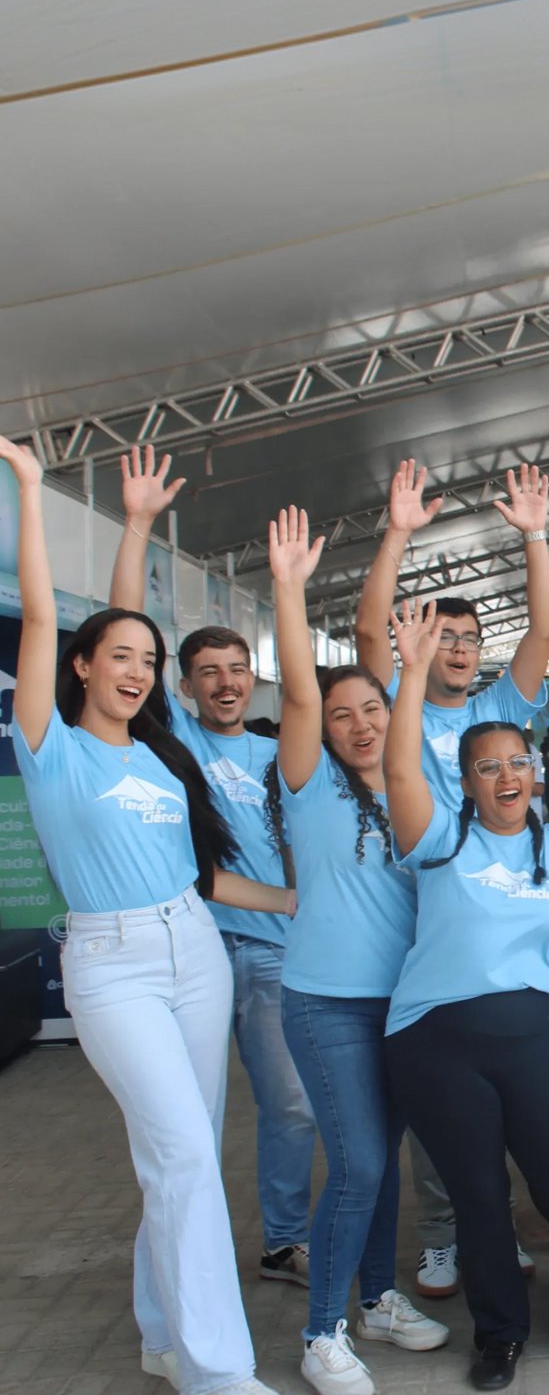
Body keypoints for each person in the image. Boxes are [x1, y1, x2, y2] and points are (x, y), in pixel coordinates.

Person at [1, 435, 318, 1395]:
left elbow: (205, 876)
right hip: (112, 963)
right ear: (81, 667)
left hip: (195, 949)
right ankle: (215, 1365)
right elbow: (53, 614)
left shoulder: (162, 756)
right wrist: (34, 490)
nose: (136, 670)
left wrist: (309, 906)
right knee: (182, 1149)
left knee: (169, 1151)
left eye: (149, 659)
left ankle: (159, 1321)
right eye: (119, 656)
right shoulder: (49, 749)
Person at [380, 593, 549, 1386]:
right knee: (479, 1198)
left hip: (528, 1039)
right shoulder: (436, 838)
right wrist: (414, 673)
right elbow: (397, 766)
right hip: (435, 1043)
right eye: (487, 765)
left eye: (517, 762)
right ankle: (499, 1336)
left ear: (535, 771)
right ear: (464, 781)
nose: (506, 775)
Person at [109, 449, 316, 1291]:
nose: (226, 684)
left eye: (237, 671)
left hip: (269, 953)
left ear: (252, 678)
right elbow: (120, 632)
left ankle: (282, 1239)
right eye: (208, 675)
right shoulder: (174, 742)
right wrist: (136, 526)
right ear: (183, 687)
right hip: (193, 946)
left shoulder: (277, 754)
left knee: (293, 1106)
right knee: (189, 1117)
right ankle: (180, 1254)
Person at [353, 459, 549, 1299]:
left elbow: (544, 634)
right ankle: (443, 1235)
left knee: (504, 1079)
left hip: (493, 918)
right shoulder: (402, 697)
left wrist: (537, 537)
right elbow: (369, 634)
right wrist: (397, 533)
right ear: (425, 645)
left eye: (472, 639)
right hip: (410, 917)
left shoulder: (498, 714)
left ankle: (496, 1225)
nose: (462, 650)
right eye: (447, 638)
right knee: (436, 1089)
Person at [267, 507, 449, 1395]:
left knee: (384, 1161)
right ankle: (322, 1333)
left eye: (371, 707)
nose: (357, 723)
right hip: (328, 1004)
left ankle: (377, 1297)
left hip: (404, 1007)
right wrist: (291, 591)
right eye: (342, 716)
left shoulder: (420, 791)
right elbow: (301, 691)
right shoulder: (308, 791)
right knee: (362, 1167)